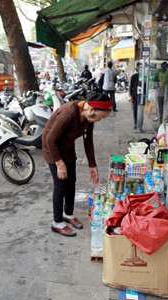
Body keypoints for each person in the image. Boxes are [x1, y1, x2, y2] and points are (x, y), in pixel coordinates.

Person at [42, 94, 112, 237]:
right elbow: (50, 139)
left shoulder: (88, 118)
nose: (99, 121)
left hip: (67, 148)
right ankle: (57, 222)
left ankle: (68, 214)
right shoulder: (68, 113)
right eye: (101, 118)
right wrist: (59, 162)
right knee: (60, 183)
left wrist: (92, 165)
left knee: (71, 181)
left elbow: (88, 141)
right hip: (52, 148)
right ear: (92, 110)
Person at [128, 63, 141, 130]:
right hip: (135, 96)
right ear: (137, 68)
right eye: (139, 67)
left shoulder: (145, 77)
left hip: (142, 96)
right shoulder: (134, 76)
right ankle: (135, 123)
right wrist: (130, 96)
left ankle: (140, 124)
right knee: (135, 110)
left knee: (140, 110)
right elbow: (130, 87)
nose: (140, 69)